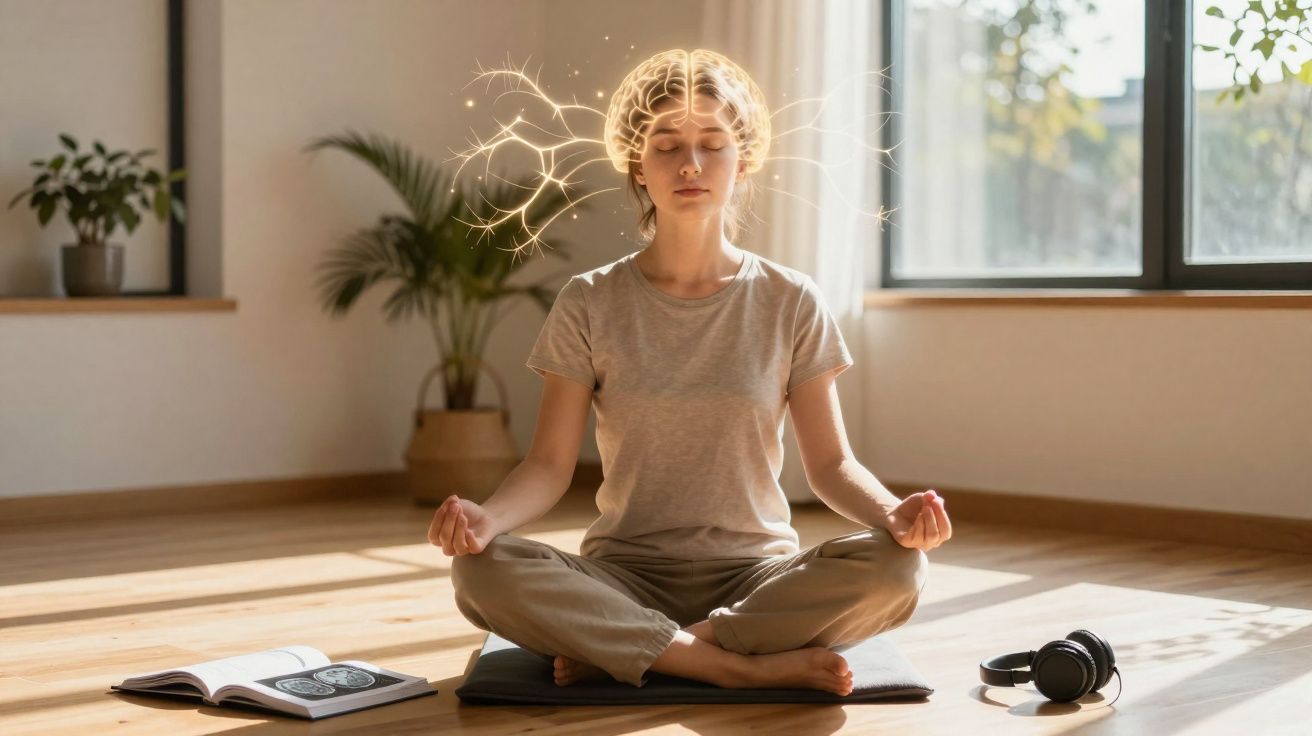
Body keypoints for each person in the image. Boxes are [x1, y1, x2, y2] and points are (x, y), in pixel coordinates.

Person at [427, 49, 952, 696]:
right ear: (637, 164)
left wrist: (894, 514)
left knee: (899, 568)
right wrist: (486, 520)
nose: (690, 164)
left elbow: (831, 466)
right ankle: (732, 664)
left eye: (713, 143)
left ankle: (635, 649)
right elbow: (548, 465)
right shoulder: (588, 300)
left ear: (744, 159)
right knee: (480, 571)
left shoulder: (792, 299)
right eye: (667, 145)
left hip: (757, 578)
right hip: (622, 576)